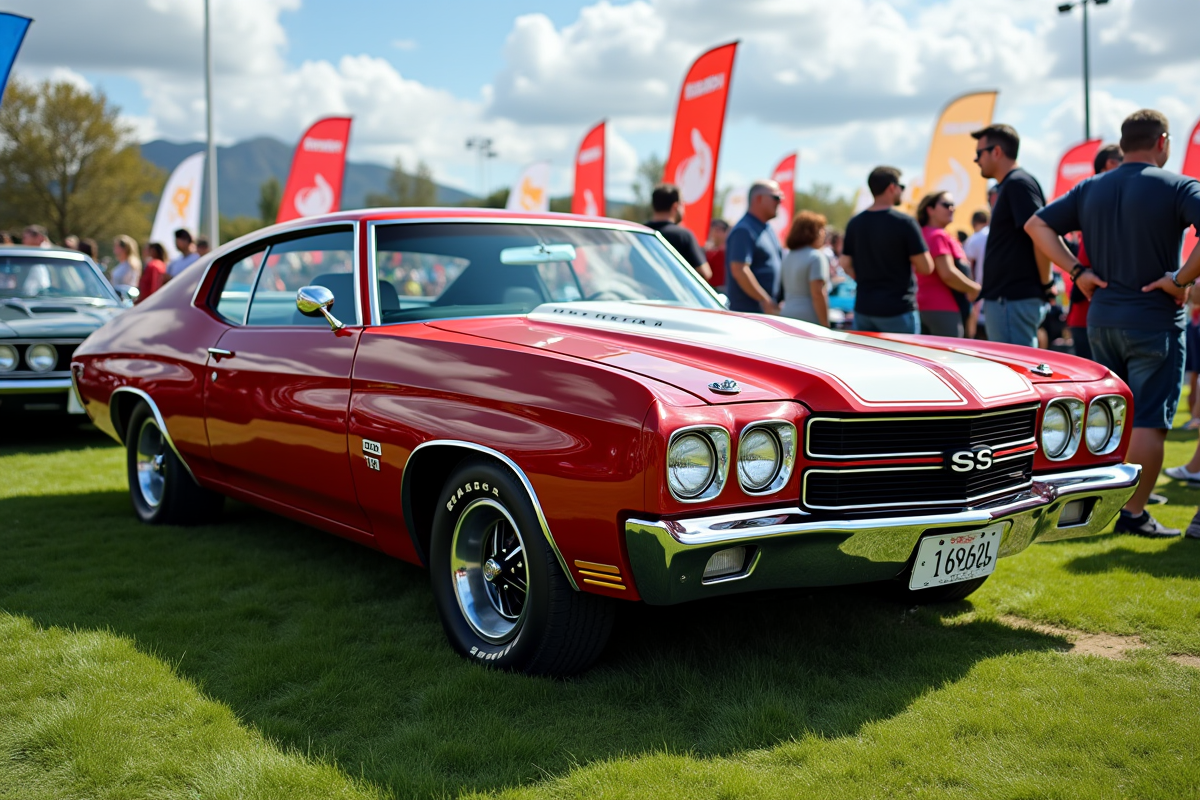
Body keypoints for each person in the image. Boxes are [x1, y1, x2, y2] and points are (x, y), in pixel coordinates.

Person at [1026, 109, 1200, 538]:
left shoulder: (1091, 187)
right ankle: (1133, 513)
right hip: (1154, 319)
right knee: (1148, 420)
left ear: (1124, 143)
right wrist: (1181, 280)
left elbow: (1037, 225)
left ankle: (1104, 504)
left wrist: (1075, 270)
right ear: (1162, 140)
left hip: (1102, 319)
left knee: (1112, 416)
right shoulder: (1178, 185)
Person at [972, 124, 1051, 347]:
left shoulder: (1017, 183)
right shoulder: (1013, 184)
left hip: (1012, 300)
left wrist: (1045, 283)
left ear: (996, 152)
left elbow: (1040, 233)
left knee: (1017, 373)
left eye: (979, 153)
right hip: (1009, 300)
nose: (976, 160)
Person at [840, 166, 933, 333]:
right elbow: (926, 267)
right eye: (901, 187)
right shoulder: (905, 223)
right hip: (897, 310)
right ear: (892, 187)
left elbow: (845, 262)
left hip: (864, 308)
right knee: (903, 358)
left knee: (867, 358)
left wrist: (862, 278)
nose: (902, 191)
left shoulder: (855, 223)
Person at [1065, 144, 1125, 361]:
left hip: (1095, 315)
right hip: (1092, 315)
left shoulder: (1094, 200)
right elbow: (1038, 225)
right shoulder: (1098, 199)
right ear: (1110, 164)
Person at [915, 192, 981, 337]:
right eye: (946, 205)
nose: (952, 209)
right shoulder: (938, 235)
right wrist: (974, 289)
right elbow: (947, 273)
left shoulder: (921, 233)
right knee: (948, 357)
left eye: (953, 205)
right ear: (930, 210)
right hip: (943, 307)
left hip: (922, 305)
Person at [726, 180, 785, 314]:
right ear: (759, 198)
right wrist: (764, 300)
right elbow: (739, 270)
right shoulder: (744, 230)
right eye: (776, 198)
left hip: (763, 312)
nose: (780, 202)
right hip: (748, 314)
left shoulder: (767, 228)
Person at [644, 184, 711, 282]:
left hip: (642, 294)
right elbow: (705, 272)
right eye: (682, 203)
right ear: (675, 206)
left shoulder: (640, 232)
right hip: (673, 296)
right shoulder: (683, 236)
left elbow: (628, 267)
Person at [779, 210, 830, 326]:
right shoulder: (816, 257)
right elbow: (817, 293)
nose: (824, 233)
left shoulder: (788, 256)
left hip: (786, 315)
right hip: (809, 319)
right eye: (821, 229)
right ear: (811, 232)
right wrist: (825, 323)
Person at [704, 219, 729, 292]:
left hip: (721, 289)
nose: (715, 233)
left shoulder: (726, 251)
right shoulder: (709, 250)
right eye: (714, 230)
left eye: (718, 230)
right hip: (709, 288)